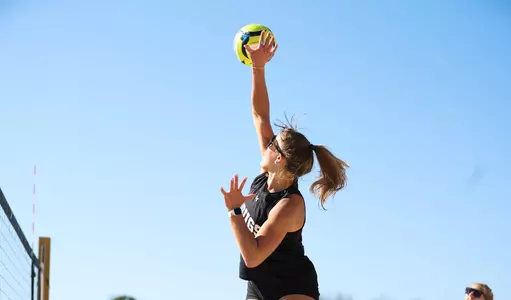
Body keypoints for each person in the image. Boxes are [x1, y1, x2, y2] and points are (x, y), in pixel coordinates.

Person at [220, 31, 350, 300]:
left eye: (271, 144)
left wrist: (234, 211)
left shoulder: (290, 205)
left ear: (279, 158)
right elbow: (259, 115)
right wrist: (258, 67)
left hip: (292, 288)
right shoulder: (265, 177)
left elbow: (254, 256)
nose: (266, 143)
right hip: (260, 286)